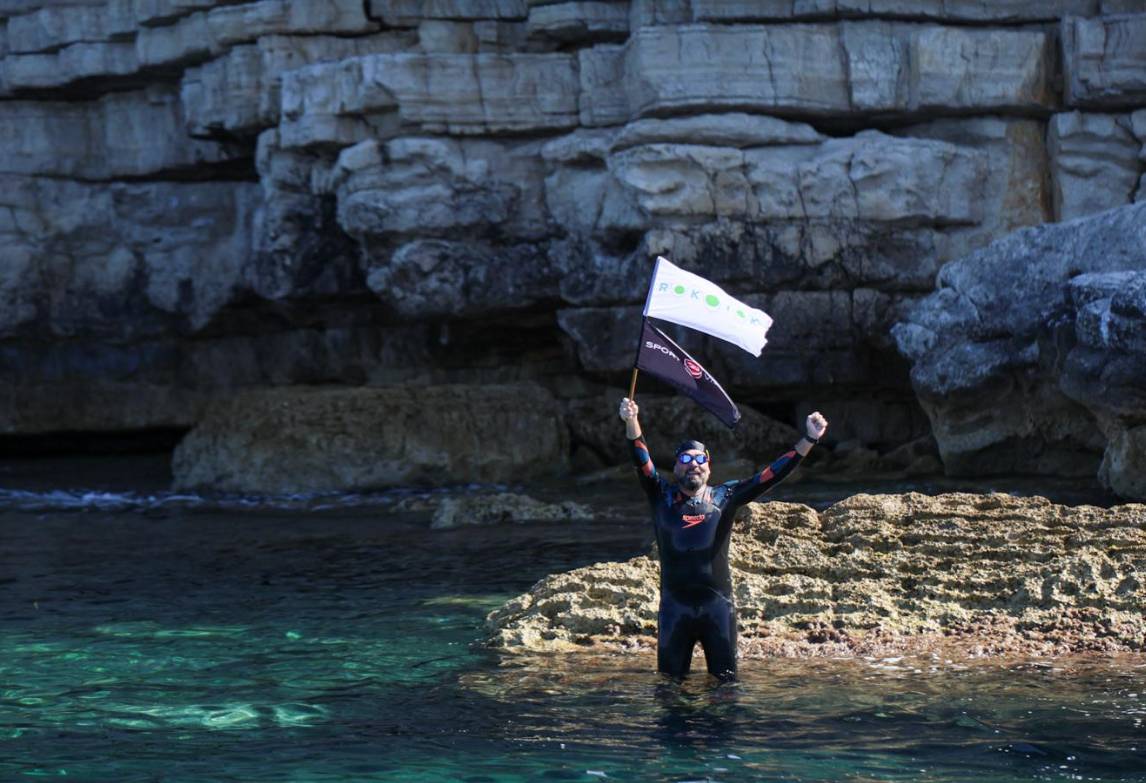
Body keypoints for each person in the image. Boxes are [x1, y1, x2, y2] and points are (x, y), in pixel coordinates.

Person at [618, 396, 828, 681]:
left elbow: (770, 476)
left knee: (726, 689)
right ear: (676, 467)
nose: (693, 464)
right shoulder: (659, 494)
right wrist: (632, 420)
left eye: (700, 459)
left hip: (717, 609)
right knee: (668, 691)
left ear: (709, 468)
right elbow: (640, 457)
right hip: (674, 611)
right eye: (685, 458)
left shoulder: (725, 496)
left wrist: (809, 439)